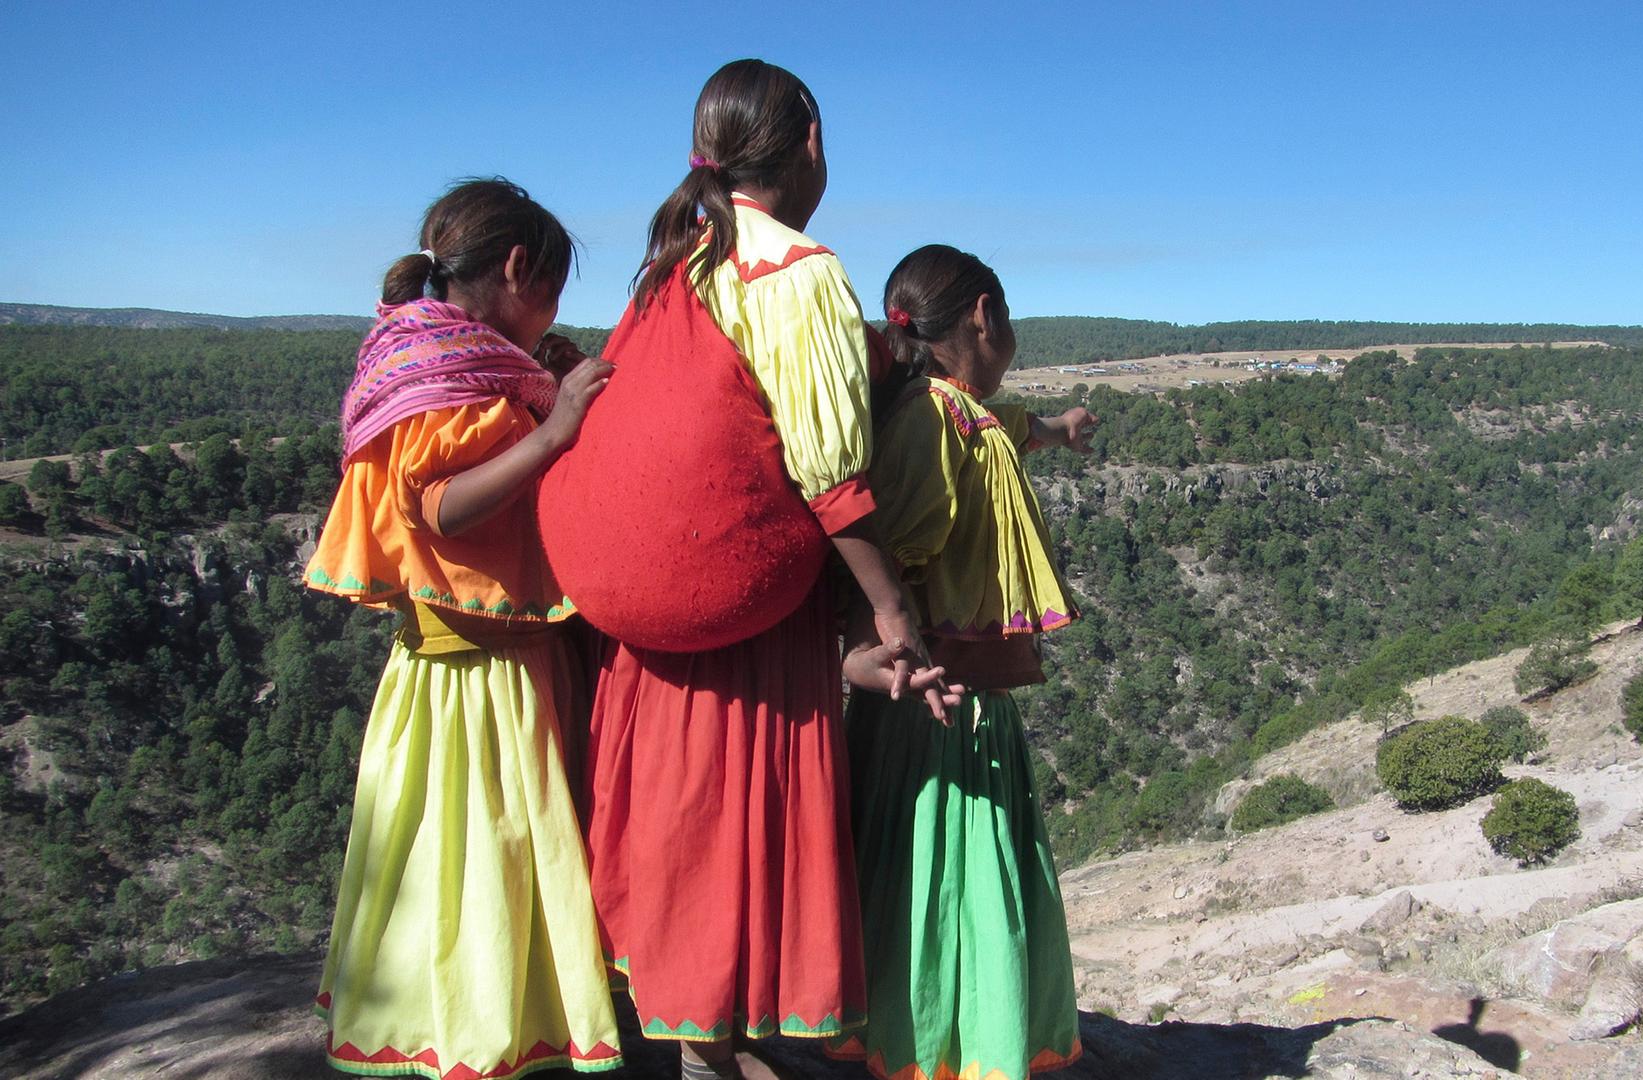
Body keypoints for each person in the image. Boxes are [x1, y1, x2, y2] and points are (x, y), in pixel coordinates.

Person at [556, 60, 940, 1080]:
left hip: (653, 619)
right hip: (746, 619)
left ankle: (701, 1037)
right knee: (735, 825)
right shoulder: (797, 270)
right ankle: (719, 1049)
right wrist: (892, 609)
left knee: (681, 824)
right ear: (810, 143)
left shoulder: (673, 266)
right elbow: (831, 476)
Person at [304, 178, 622, 1079]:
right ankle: (481, 1040)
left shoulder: (427, 355)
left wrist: (543, 385)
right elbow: (440, 507)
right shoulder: (447, 380)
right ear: (518, 268)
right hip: (480, 683)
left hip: (455, 667)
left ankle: (479, 1028)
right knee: (488, 861)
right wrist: (555, 428)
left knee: (452, 864)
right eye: (552, 289)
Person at [829, 244, 1096, 1080]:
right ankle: (951, 1051)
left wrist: (1060, 430)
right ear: (984, 315)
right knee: (952, 888)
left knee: (935, 886)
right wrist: (868, 653)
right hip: (940, 709)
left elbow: (1013, 428)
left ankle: (945, 1045)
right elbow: (883, 555)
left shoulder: (960, 412)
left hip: (953, 705)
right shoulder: (931, 424)